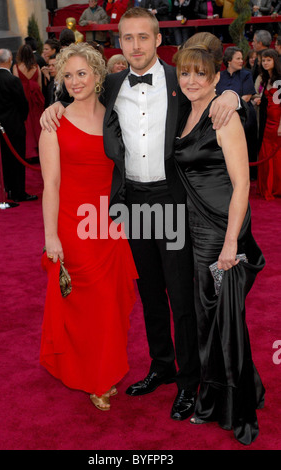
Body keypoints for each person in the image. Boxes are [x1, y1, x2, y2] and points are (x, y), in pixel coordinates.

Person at [40, 7, 243, 422]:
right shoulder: (110, 83)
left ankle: (189, 381)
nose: (135, 46)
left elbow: (216, 96)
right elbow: (78, 93)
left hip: (170, 200)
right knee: (149, 292)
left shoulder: (178, 79)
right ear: (119, 42)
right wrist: (54, 107)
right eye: (127, 38)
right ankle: (162, 366)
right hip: (130, 205)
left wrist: (232, 95)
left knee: (179, 295)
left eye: (143, 38)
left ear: (157, 40)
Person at [173, 35, 265, 445]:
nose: (192, 80)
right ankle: (226, 392)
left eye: (200, 74)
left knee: (221, 320)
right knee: (208, 318)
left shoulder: (221, 114)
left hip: (220, 229)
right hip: (193, 228)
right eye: (185, 73)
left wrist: (231, 243)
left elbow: (243, 184)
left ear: (214, 78)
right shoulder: (184, 113)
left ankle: (229, 405)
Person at [39, 42, 137, 412]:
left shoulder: (115, 115)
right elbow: (51, 185)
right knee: (86, 306)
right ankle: (94, 376)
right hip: (73, 227)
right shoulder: (55, 121)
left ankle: (105, 370)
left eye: (82, 73)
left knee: (112, 305)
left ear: (98, 75)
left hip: (110, 225)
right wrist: (51, 237)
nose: (75, 81)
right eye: (67, 75)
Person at [0, 49, 37, 202]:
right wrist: (21, 119)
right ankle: (18, 192)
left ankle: (8, 189)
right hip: (14, 125)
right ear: (9, 59)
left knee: (5, 159)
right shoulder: (13, 80)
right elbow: (23, 104)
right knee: (17, 158)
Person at [216, 46, 258, 180]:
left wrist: (229, 108)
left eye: (242, 58)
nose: (241, 61)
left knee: (245, 146)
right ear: (229, 61)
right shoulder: (220, 76)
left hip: (244, 117)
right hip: (223, 118)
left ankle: (247, 176)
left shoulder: (246, 75)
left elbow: (246, 96)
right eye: (238, 58)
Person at [256, 49, 281, 200]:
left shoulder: (279, 80)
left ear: (275, 61)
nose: (265, 63)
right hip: (266, 120)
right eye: (263, 60)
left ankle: (276, 187)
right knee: (266, 154)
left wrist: (280, 125)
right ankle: (267, 186)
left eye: (268, 60)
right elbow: (261, 95)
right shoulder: (264, 79)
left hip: (277, 121)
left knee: (277, 155)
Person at [13, 45, 45, 160]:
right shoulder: (36, 67)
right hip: (35, 98)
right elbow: (40, 85)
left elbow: (16, 86)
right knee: (37, 124)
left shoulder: (16, 67)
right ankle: (41, 150)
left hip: (23, 98)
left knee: (27, 124)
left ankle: (28, 152)